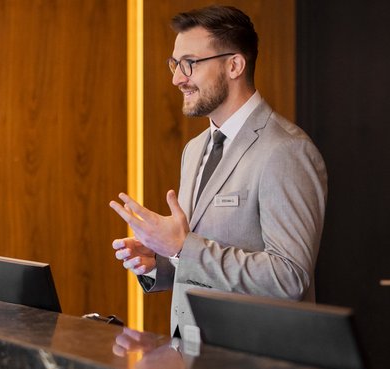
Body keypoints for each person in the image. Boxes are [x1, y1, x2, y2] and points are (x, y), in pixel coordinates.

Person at [109, 5, 327, 335]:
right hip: (193, 356)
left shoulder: (286, 150)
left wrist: (182, 247)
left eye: (189, 64)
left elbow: (289, 277)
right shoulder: (195, 149)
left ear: (234, 65)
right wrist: (163, 262)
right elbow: (202, 259)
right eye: (174, 64)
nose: (176, 78)